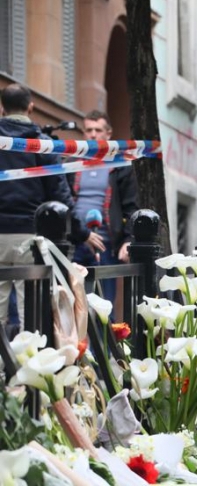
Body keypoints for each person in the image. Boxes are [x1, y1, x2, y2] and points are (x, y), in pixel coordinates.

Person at [0, 84, 91, 329]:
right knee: (30, 311)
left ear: (2, 108)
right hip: (30, 237)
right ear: (30, 107)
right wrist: (83, 233)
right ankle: (32, 364)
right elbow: (61, 195)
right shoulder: (42, 145)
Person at [72, 110, 139, 302]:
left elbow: (130, 206)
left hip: (106, 244)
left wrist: (127, 239)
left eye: (98, 130)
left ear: (108, 134)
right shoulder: (70, 164)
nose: (93, 135)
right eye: (89, 130)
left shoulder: (119, 165)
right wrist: (80, 233)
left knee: (103, 305)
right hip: (76, 242)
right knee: (71, 303)